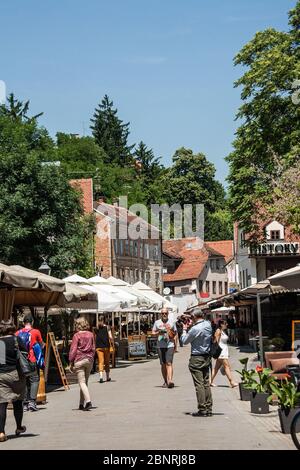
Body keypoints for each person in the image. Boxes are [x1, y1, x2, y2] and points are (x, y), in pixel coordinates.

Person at [181, 308, 213, 417]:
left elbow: (184, 341)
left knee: (199, 384)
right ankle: (209, 408)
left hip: (197, 357)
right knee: (206, 383)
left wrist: (185, 329)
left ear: (194, 317)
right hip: (207, 356)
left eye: (191, 317)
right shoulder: (208, 325)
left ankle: (202, 408)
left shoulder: (195, 329)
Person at [0, 320, 27, 442]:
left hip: (2, 375)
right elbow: (25, 355)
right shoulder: (17, 340)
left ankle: (1, 432)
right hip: (17, 374)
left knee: (2, 404)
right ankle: (18, 427)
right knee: (18, 401)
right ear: (13, 328)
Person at [16, 314, 44, 412]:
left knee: (23, 381)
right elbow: (41, 345)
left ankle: (24, 403)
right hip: (31, 359)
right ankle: (32, 402)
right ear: (32, 322)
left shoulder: (17, 333)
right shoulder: (36, 332)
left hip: (21, 362)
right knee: (34, 379)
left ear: (23, 323)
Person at [69, 317, 95, 411]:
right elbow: (93, 348)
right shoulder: (91, 334)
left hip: (79, 360)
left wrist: (71, 361)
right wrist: (91, 357)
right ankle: (81, 403)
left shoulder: (76, 336)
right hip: (89, 360)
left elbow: (73, 350)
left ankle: (88, 402)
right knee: (84, 382)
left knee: (82, 382)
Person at [152, 308, 177, 388]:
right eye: (162, 313)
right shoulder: (157, 322)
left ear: (168, 313)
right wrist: (158, 333)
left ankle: (170, 381)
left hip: (170, 345)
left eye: (165, 313)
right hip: (160, 345)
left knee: (169, 363)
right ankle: (165, 381)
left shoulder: (172, 322)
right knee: (163, 364)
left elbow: (175, 333)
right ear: (160, 314)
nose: (164, 315)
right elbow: (153, 333)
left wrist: (175, 344)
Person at [210, 320, 238, 388]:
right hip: (221, 352)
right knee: (226, 366)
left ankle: (210, 381)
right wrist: (216, 351)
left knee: (216, 368)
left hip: (224, 352)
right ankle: (232, 382)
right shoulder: (218, 331)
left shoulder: (222, 331)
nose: (227, 324)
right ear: (221, 324)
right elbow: (215, 342)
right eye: (225, 323)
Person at [95, 315, 113, 383]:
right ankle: (107, 377)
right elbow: (110, 337)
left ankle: (101, 377)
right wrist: (112, 341)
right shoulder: (107, 327)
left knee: (100, 361)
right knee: (107, 362)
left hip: (98, 346)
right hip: (106, 346)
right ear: (104, 320)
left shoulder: (96, 328)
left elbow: (96, 337)